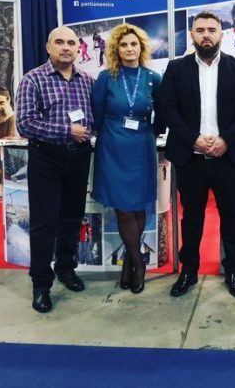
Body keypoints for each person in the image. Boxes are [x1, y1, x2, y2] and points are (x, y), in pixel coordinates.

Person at [158, 11, 235, 298]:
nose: (206, 35)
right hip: (190, 157)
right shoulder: (176, 69)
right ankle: (188, 270)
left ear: (220, 35)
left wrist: (226, 139)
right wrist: (194, 139)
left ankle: (233, 270)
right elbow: (167, 108)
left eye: (211, 30)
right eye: (200, 30)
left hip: (227, 156)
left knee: (231, 216)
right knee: (191, 218)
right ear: (192, 34)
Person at [16, 26, 94, 313]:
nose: (66, 47)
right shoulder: (32, 79)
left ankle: (65, 268)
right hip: (46, 158)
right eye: (59, 42)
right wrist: (67, 131)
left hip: (79, 157)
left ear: (78, 48)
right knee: (44, 223)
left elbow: (95, 117)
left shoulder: (87, 80)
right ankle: (41, 284)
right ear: (48, 47)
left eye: (71, 43)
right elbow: (25, 124)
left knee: (71, 218)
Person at [91, 23, 163, 295]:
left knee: (138, 205)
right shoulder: (106, 77)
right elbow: (97, 114)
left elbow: (162, 112)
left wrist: (152, 133)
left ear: (141, 48)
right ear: (116, 49)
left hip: (141, 146)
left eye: (134, 44)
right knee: (123, 208)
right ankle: (138, 263)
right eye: (124, 45)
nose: (129, 49)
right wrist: (106, 134)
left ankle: (128, 266)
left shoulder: (153, 78)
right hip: (112, 146)